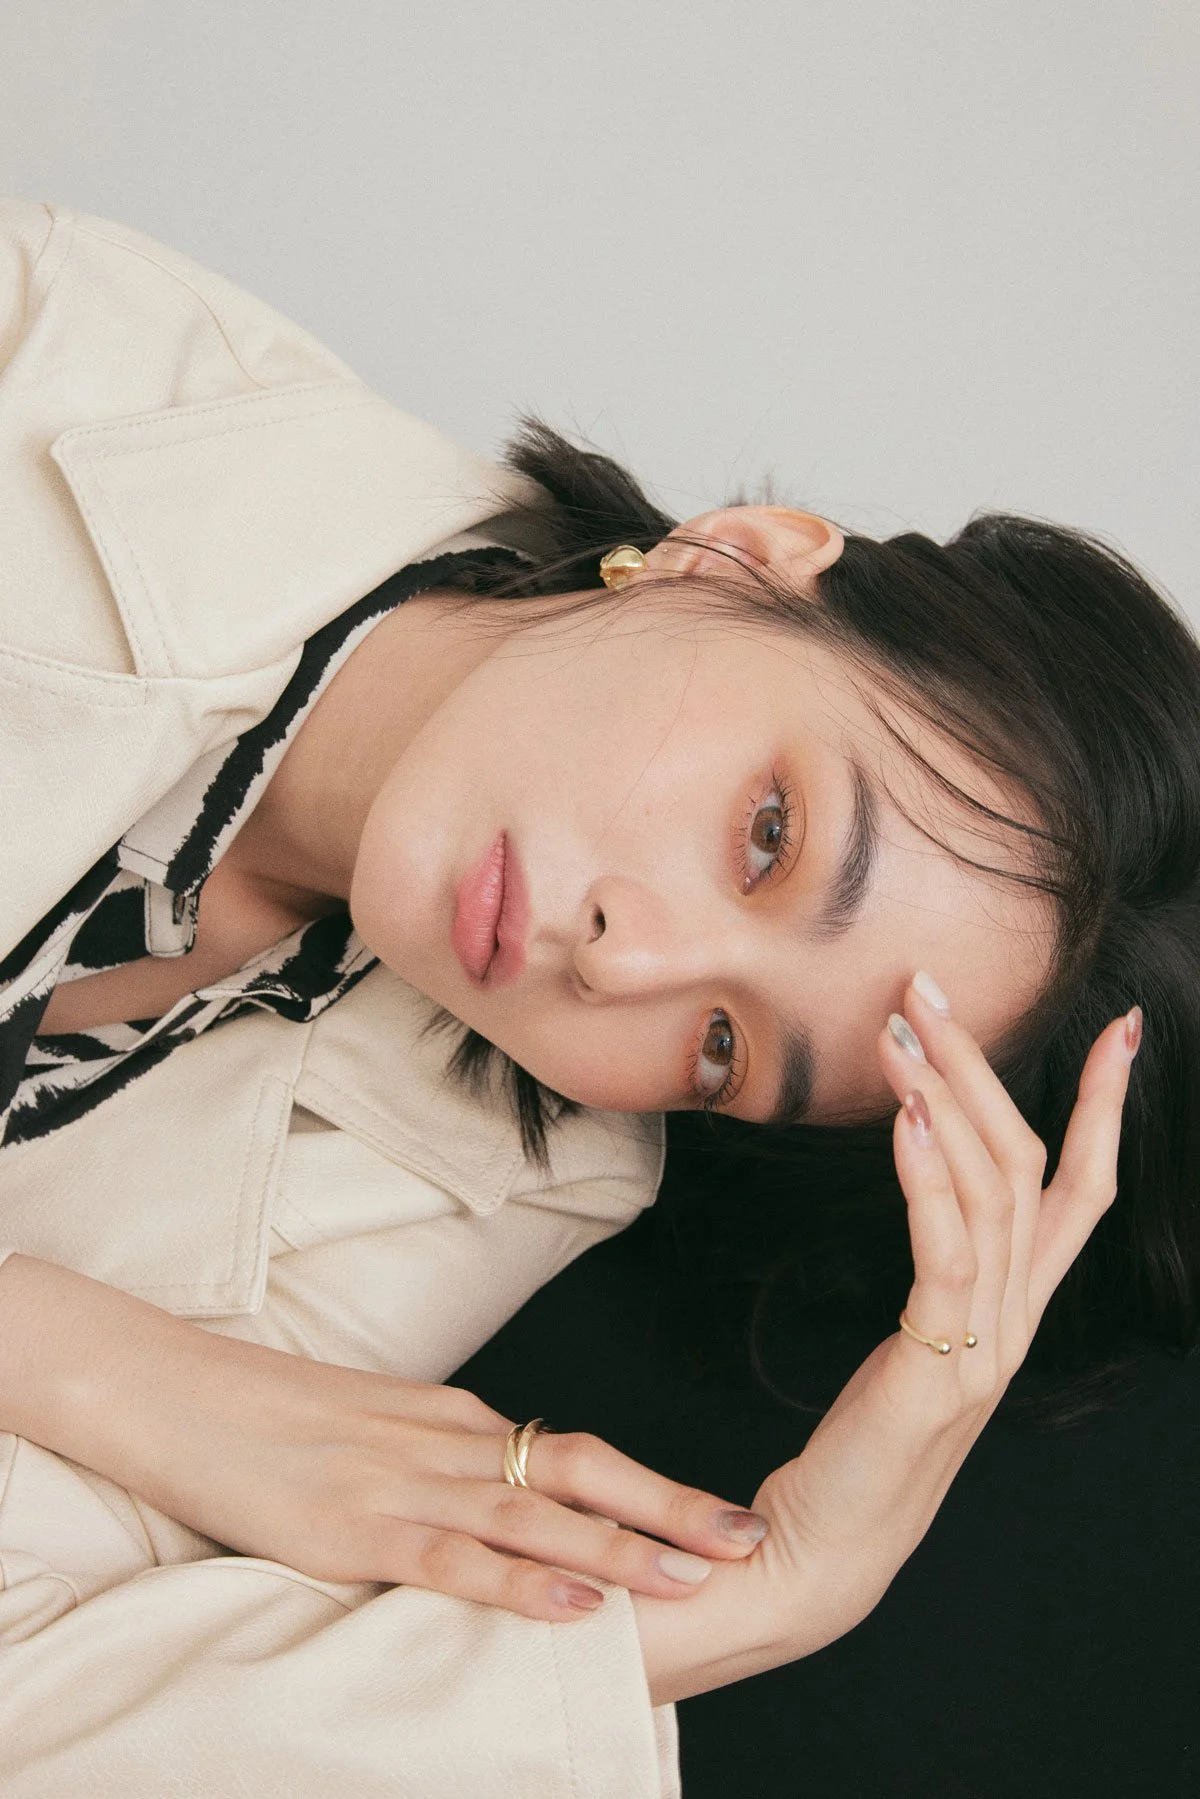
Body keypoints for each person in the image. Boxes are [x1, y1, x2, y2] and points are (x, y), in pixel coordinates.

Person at [0, 197, 1193, 1797]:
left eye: (726, 1047)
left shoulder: (512, 1159)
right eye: (770, 834)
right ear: (740, 557)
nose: (624, 960)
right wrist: (120, 1371)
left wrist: (768, 1601)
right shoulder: (49, 351)